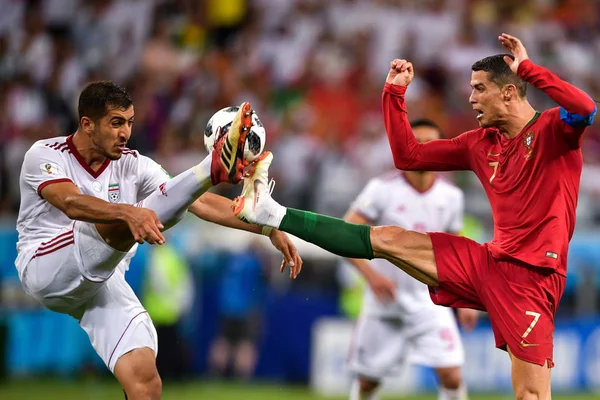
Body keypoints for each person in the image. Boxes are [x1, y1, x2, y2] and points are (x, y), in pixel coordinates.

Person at [232, 33, 596, 400]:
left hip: (533, 279)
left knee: (531, 396)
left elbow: (585, 108)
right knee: (388, 238)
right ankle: (273, 212)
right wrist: (393, 94)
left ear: (508, 92)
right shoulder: (480, 145)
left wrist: (530, 69)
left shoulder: (554, 130)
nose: (470, 99)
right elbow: (408, 157)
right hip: (490, 262)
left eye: (479, 89)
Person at [15, 81, 302, 400]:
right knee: (116, 222)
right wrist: (128, 213)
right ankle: (211, 167)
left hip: (102, 283)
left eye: (129, 122)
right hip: (45, 267)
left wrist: (265, 226)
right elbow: (70, 202)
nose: (125, 132)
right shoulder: (44, 154)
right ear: (87, 124)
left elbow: (200, 203)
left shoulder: (133, 164)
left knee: (146, 382)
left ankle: (212, 170)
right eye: (115, 123)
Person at [343, 119, 478, 400]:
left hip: (431, 302)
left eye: (431, 143)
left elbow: (455, 252)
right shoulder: (381, 189)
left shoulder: (451, 196)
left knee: (452, 375)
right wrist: (372, 277)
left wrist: (466, 300)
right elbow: (346, 235)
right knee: (368, 382)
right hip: (386, 302)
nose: (425, 149)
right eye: (418, 142)